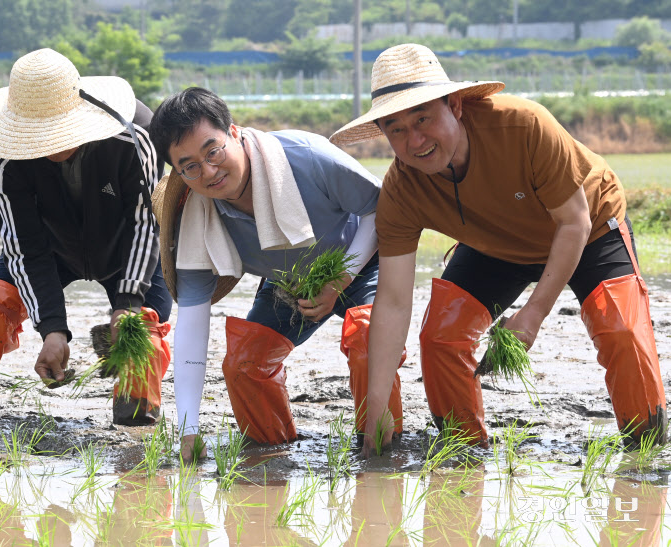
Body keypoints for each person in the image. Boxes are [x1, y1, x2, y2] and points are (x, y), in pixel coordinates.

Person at [330, 43, 667, 456]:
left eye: (423, 118)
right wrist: (376, 407)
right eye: (396, 128)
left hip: (588, 226)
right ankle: (465, 450)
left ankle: (645, 452)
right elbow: (395, 302)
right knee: (441, 337)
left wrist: (532, 314)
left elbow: (573, 221)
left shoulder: (523, 125)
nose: (415, 140)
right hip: (494, 244)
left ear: (454, 105)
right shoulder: (401, 192)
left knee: (621, 328)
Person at [0, 48, 172, 428]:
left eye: (58, 131)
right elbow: (24, 247)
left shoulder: (133, 138)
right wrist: (52, 329)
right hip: (50, 248)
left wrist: (129, 301)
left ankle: (137, 422)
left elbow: (145, 223)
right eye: (37, 135)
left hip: (126, 245)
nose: (50, 144)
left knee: (141, 335)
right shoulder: (5, 159)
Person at [148, 87, 405, 461]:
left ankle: (383, 445)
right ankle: (271, 451)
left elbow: (380, 208)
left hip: (362, 260)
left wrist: (340, 280)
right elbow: (191, 320)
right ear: (178, 172)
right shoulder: (197, 222)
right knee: (244, 366)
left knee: (369, 340)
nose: (208, 171)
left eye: (213, 151)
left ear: (233, 133)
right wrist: (188, 428)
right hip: (289, 281)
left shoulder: (307, 157)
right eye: (189, 166)